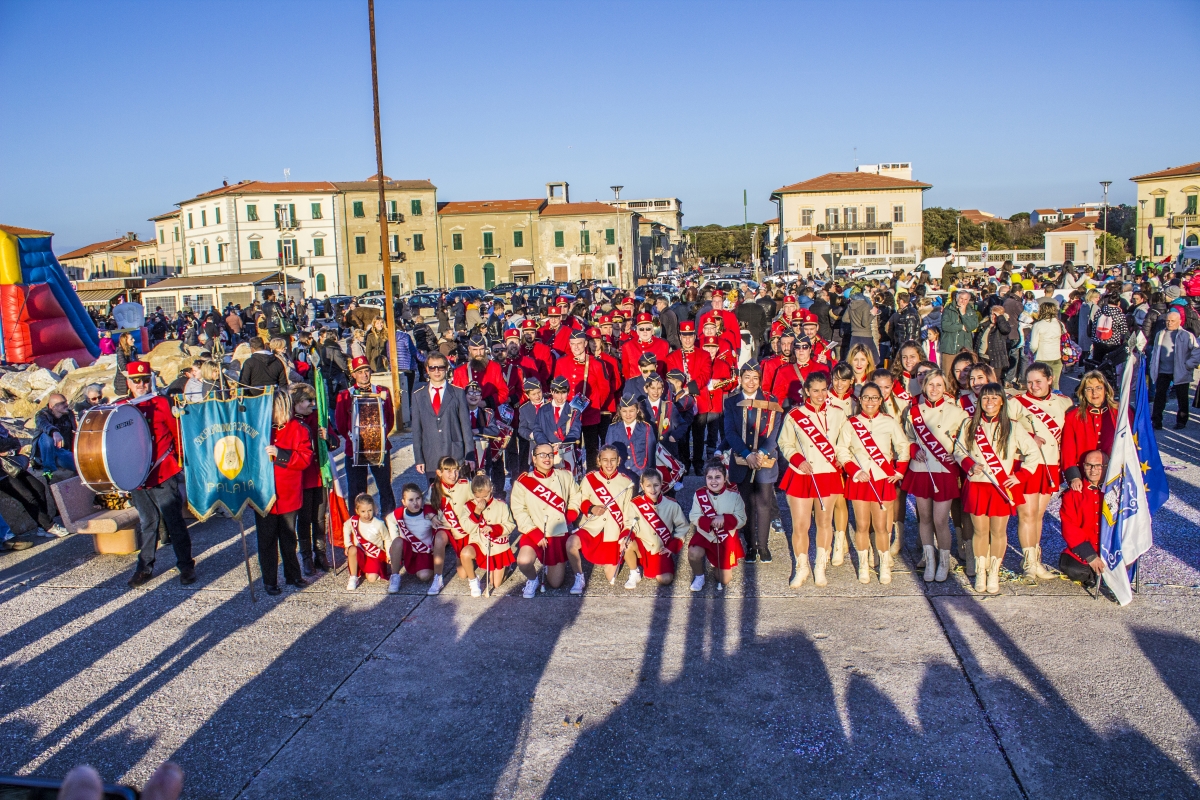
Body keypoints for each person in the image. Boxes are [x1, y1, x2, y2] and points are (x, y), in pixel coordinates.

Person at [955, 382, 1039, 594]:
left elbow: (1033, 453)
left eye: (994, 398)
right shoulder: (969, 424)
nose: (989, 402)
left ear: (1002, 401)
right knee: (980, 531)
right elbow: (958, 451)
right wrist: (970, 465)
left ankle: (994, 572)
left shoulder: (1013, 426)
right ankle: (981, 573)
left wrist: (1020, 476)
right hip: (978, 486)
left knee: (998, 531)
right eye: (985, 398)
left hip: (1001, 487)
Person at [119, 361, 194, 588]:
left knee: (174, 522)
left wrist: (181, 461)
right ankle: (144, 567)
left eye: (144, 380)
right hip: (137, 477)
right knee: (148, 522)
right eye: (135, 380)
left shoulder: (162, 403)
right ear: (129, 383)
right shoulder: (122, 407)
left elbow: (177, 434)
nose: (140, 385)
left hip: (162, 472)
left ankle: (186, 566)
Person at [835, 382, 909, 584]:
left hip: (882, 479)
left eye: (874, 398)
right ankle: (863, 564)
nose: (870, 401)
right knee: (861, 525)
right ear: (860, 399)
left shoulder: (889, 421)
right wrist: (854, 470)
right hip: (860, 479)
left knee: (881, 527)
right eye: (866, 397)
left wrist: (899, 472)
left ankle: (884, 565)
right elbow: (842, 449)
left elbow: (903, 447)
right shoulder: (851, 423)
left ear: (881, 400)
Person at [900, 368, 968, 582]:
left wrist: (955, 457)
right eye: (931, 385)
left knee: (940, 519)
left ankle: (944, 563)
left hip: (943, 471)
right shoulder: (913, 411)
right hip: (921, 470)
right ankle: (930, 561)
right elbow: (907, 437)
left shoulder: (957, 412)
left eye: (939, 385)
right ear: (924, 386)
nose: (935, 389)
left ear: (945, 387)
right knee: (925, 517)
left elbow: (965, 443)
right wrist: (913, 450)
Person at [777, 372, 845, 587]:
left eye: (824, 389)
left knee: (825, 522)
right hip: (802, 474)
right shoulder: (795, 415)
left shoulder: (838, 414)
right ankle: (802, 566)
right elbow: (784, 443)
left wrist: (842, 459)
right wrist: (797, 460)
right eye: (815, 390)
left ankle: (820, 566)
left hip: (828, 473)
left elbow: (844, 443)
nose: (821, 394)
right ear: (807, 391)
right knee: (801, 525)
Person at [1010, 363, 1073, 580]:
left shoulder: (1064, 402)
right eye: (1029, 382)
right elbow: (1003, 429)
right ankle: (1029, 562)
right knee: (1026, 513)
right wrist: (1027, 438)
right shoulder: (1017, 403)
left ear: (1049, 379)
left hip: (1051, 464)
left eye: (1038, 381)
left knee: (1038, 515)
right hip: (1027, 464)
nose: (1034, 386)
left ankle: (1035, 559)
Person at [254, 388, 313, 595]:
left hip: (288, 493)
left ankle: (293, 575)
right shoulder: (260, 429)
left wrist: (282, 454)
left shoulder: (299, 429)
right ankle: (269, 580)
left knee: (289, 539)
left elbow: (305, 458)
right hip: (264, 495)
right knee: (267, 540)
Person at [723, 363, 783, 563]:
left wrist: (763, 452)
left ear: (760, 380)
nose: (751, 382)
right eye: (747, 377)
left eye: (755, 377)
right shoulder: (731, 402)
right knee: (747, 505)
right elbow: (730, 432)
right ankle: (750, 545)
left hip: (765, 459)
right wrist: (747, 453)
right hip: (742, 459)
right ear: (740, 378)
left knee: (764, 503)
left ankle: (763, 546)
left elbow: (775, 431)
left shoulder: (770, 400)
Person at [511, 442, 582, 597]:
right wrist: (535, 533)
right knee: (523, 561)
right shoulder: (523, 482)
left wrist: (570, 514)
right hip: (534, 532)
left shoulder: (564, 476)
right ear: (534, 458)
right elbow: (519, 511)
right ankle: (533, 579)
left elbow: (576, 496)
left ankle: (550, 566)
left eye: (550, 454)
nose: (547, 458)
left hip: (557, 533)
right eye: (542, 455)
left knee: (555, 584)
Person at [334, 355, 397, 515]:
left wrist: (377, 436)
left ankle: (389, 519)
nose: (364, 374)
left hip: (379, 447)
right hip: (354, 448)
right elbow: (341, 423)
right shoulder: (345, 395)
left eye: (366, 370)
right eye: (359, 372)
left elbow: (389, 418)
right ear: (353, 374)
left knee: (385, 486)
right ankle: (357, 524)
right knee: (356, 488)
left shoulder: (383, 391)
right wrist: (354, 438)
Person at [571, 444, 636, 591]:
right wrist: (591, 508)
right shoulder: (589, 478)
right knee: (571, 544)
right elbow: (582, 499)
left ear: (619, 460)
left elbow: (627, 512)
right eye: (605, 460)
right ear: (598, 461)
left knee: (610, 575)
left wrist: (625, 534)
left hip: (612, 532)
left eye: (613, 460)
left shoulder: (626, 482)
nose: (609, 464)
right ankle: (578, 577)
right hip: (591, 528)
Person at [409, 352, 472, 486]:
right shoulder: (418, 396)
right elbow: (417, 431)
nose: (436, 371)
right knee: (435, 499)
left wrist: (469, 455)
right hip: (431, 456)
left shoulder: (458, 393)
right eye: (432, 368)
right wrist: (419, 458)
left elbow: (466, 427)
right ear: (427, 370)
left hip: (454, 454)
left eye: (440, 367)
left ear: (446, 368)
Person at [553, 329, 611, 469]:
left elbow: (604, 389)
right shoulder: (562, 362)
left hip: (589, 413)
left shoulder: (596, 363)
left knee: (591, 449)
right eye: (573, 344)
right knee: (570, 449)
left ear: (585, 343)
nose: (576, 347)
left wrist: (594, 404)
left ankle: (591, 477)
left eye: (579, 343)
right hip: (569, 415)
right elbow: (557, 385)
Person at [622, 468, 689, 588]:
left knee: (665, 579)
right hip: (642, 546)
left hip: (661, 548)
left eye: (656, 485)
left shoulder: (672, 504)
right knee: (626, 543)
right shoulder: (635, 504)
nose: (652, 489)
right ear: (642, 486)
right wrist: (626, 538)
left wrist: (673, 545)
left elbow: (682, 526)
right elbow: (630, 525)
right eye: (648, 486)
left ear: (661, 485)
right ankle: (634, 572)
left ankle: (651, 564)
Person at [292, 384, 334, 574]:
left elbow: (335, 441)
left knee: (319, 518)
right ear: (297, 402)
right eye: (308, 400)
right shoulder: (291, 421)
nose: (312, 404)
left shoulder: (318, 417)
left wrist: (328, 437)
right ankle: (306, 557)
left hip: (318, 475)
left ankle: (320, 553)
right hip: (301, 478)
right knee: (304, 519)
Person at [685, 458, 746, 591]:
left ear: (725, 478)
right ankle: (699, 576)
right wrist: (711, 521)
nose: (713, 481)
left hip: (725, 538)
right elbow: (693, 516)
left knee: (724, 579)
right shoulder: (699, 494)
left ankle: (715, 562)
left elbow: (742, 519)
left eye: (718, 477)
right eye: (710, 477)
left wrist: (725, 519)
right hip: (705, 535)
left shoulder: (734, 496)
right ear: (705, 479)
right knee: (693, 553)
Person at [1057, 450, 1108, 587]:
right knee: (1070, 566)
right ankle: (1093, 576)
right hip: (1086, 549)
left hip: (1111, 549)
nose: (1093, 470)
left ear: (1107, 467)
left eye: (1098, 466)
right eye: (1088, 465)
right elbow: (1069, 528)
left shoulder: (1115, 493)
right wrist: (1090, 556)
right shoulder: (1072, 494)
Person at [1061, 371, 1118, 489]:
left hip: (1114, 476)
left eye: (1098, 388)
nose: (1094, 392)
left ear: (1106, 390)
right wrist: (1074, 476)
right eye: (1089, 389)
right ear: (1083, 392)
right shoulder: (1073, 416)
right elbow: (1068, 450)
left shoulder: (1120, 413)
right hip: (1084, 477)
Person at [464, 473, 517, 595]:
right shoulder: (468, 506)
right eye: (478, 497)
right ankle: (473, 581)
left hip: (498, 547)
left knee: (496, 584)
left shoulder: (501, 505)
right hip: (480, 545)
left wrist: (494, 529)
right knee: (465, 553)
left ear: (491, 490)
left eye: (486, 495)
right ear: (473, 494)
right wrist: (476, 512)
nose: (482, 500)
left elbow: (510, 525)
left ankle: (507, 567)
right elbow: (467, 528)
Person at [1149, 309, 1200, 430]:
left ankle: (1181, 420)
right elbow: (1155, 351)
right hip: (1163, 370)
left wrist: (1188, 364)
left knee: (1182, 397)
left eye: (1172, 321)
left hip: (1180, 371)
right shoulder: (1160, 334)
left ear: (1179, 322)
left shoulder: (1186, 335)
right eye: (1167, 321)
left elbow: (1197, 351)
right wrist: (1153, 366)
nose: (1169, 323)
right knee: (1159, 396)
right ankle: (1156, 420)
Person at [385, 483, 437, 591]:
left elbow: (438, 530)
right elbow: (389, 519)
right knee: (398, 542)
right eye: (410, 500)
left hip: (423, 552)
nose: (415, 503)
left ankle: (420, 567)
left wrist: (434, 545)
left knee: (424, 577)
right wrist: (394, 539)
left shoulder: (428, 515)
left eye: (418, 498)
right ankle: (395, 575)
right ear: (403, 502)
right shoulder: (399, 514)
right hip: (407, 549)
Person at [344, 493, 390, 590]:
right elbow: (346, 527)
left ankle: (369, 570)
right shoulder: (354, 521)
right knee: (352, 549)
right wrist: (347, 544)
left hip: (374, 555)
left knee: (372, 578)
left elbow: (387, 538)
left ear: (374, 509)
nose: (367, 514)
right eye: (363, 511)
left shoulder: (379, 524)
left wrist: (389, 554)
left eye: (370, 510)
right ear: (357, 511)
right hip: (360, 554)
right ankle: (353, 577)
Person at [605, 395, 656, 478]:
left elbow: (651, 454)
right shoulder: (613, 428)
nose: (628, 415)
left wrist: (650, 475)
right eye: (624, 411)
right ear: (620, 411)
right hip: (620, 474)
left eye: (631, 411)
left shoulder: (646, 428)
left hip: (640, 474)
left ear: (637, 410)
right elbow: (608, 452)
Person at [939, 291, 980, 375]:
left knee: (964, 374)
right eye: (961, 298)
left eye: (965, 299)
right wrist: (961, 327)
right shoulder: (948, 309)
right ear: (957, 298)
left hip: (964, 347)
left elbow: (972, 326)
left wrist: (963, 313)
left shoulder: (971, 311)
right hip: (949, 347)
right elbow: (945, 325)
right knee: (947, 373)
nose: (963, 301)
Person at [33, 393, 76, 473]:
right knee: (46, 436)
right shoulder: (42, 415)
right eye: (62, 403)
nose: (66, 405)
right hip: (44, 454)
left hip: (61, 453)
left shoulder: (69, 414)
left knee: (79, 464)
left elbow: (74, 433)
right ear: (53, 406)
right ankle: (48, 470)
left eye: (66, 402)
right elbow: (44, 425)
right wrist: (54, 432)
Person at [1028, 303, 1067, 388]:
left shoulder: (1038, 325)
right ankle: (1055, 399)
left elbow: (1033, 345)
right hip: (1057, 357)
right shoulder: (1059, 324)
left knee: (1041, 384)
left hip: (1042, 357)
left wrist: (1033, 353)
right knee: (1055, 383)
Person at [113, 331, 137, 397]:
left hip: (133, 381)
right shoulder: (120, 352)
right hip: (123, 384)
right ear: (125, 341)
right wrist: (135, 367)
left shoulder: (133, 350)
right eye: (131, 339)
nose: (134, 340)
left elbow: (136, 362)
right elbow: (123, 366)